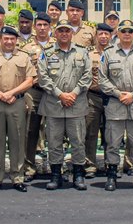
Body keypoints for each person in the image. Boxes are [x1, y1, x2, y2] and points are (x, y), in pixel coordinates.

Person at [36, 21, 92, 190]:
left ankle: (78, 175)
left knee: (78, 142)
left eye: (67, 30)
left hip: (76, 104)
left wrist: (73, 93)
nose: (64, 33)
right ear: (55, 33)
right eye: (60, 31)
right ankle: (55, 175)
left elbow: (87, 75)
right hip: (55, 105)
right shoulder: (47, 53)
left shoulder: (82, 52)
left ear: (72, 33)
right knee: (54, 142)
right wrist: (61, 94)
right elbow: (43, 77)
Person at [98, 20, 133, 191]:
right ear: (118, 33)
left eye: (130, 31)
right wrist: (118, 94)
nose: (127, 34)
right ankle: (112, 176)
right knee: (113, 143)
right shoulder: (108, 54)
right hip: (116, 104)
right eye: (123, 31)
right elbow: (102, 79)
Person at [0, 26, 36, 192]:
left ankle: (17, 178)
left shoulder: (24, 58)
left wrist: (11, 93)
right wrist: (1, 95)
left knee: (17, 140)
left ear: (16, 40)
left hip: (16, 102)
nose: (9, 41)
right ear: (0, 39)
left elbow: (29, 80)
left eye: (12, 39)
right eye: (6, 38)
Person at [19, 13, 53, 181]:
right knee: (30, 130)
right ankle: (29, 167)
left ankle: (56, 167)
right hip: (34, 91)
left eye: (45, 25)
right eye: (39, 25)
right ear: (35, 27)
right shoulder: (26, 48)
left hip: (53, 93)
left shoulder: (58, 45)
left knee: (54, 130)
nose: (41, 28)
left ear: (49, 27)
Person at [85, 23, 113, 178]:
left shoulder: (116, 53)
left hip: (111, 98)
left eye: (106, 34)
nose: (103, 37)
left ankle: (111, 164)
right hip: (93, 97)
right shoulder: (88, 54)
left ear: (111, 36)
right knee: (90, 132)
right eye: (100, 34)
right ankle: (90, 165)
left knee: (111, 133)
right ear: (96, 36)